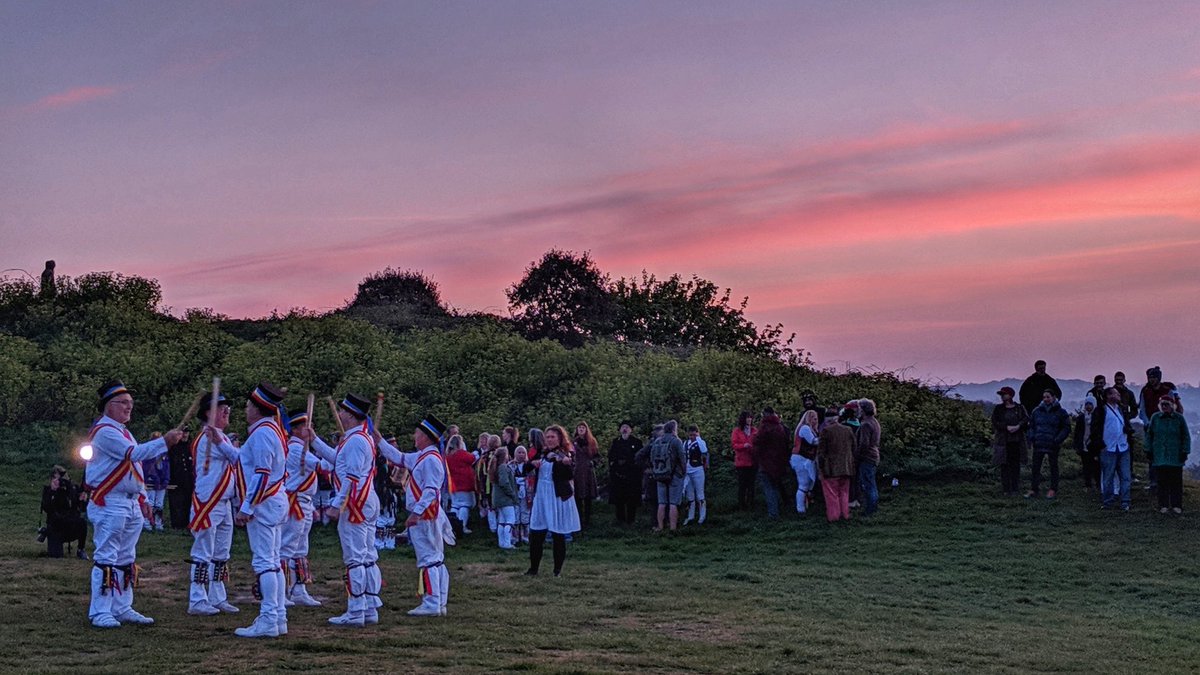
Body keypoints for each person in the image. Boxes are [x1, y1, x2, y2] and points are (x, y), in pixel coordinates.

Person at [84, 380, 180, 628]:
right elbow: (134, 455)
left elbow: (133, 469)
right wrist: (164, 443)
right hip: (109, 501)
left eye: (130, 403)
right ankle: (100, 610)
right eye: (123, 403)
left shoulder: (123, 431)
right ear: (108, 405)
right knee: (106, 555)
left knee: (126, 557)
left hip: (128, 502)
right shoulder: (105, 431)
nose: (129, 407)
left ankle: (122, 606)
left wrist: (143, 498)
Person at [307, 394, 384, 626]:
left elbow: (350, 478)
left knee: (355, 558)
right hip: (363, 500)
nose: (338, 415)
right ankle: (369, 608)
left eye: (342, 412)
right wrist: (315, 441)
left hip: (355, 503)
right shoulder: (358, 439)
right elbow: (338, 461)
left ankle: (356, 611)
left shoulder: (356, 441)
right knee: (367, 556)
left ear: (350, 415)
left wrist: (336, 505)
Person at [374, 414, 452, 617]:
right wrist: (379, 440)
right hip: (426, 514)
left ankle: (432, 602)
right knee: (435, 558)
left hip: (426, 515)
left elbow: (431, 490)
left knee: (429, 559)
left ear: (426, 436)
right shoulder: (423, 456)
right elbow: (398, 457)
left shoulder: (431, 460)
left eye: (417, 433)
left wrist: (416, 513)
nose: (414, 436)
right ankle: (439, 601)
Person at [229, 382, 290, 638]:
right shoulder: (271, 430)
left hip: (264, 504)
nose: (245, 410)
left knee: (266, 563)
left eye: (247, 405)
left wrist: (246, 506)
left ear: (257, 407)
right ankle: (277, 617)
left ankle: (268, 619)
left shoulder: (263, 433)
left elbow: (262, 474)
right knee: (273, 563)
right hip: (273, 501)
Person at [186, 391, 242, 617]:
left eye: (227, 407)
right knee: (203, 552)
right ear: (208, 413)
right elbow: (238, 458)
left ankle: (217, 596)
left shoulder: (221, 436)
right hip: (208, 502)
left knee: (221, 553)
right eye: (221, 408)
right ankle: (197, 598)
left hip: (224, 502)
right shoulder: (209, 437)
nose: (226, 411)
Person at [282, 410, 334, 607]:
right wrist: (335, 451)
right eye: (305, 426)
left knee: (301, 548)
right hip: (294, 502)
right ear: (295, 430)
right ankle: (282, 590)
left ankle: (299, 589)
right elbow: (324, 467)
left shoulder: (304, 449)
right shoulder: (296, 450)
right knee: (287, 547)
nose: (309, 429)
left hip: (305, 502)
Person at [524, 424, 580, 576]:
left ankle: (557, 571)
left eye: (552, 437)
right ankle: (533, 568)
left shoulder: (566, 453)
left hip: (557, 497)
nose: (549, 439)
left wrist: (563, 463)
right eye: (547, 437)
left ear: (559, 438)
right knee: (536, 533)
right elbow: (525, 469)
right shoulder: (541, 452)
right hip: (541, 495)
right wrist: (531, 464)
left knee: (558, 533)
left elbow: (570, 474)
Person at [1090, 387, 1132, 511]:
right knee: (1108, 476)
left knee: (1125, 476)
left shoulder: (1121, 409)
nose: (1118, 395)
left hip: (1123, 446)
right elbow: (1095, 428)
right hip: (1108, 447)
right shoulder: (1101, 410)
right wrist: (1100, 444)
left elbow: (1125, 424)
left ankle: (1125, 501)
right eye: (1115, 393)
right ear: (1108, 396)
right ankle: (1108, 501)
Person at [1146, 395, 1190, 514]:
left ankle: (1176, 505)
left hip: (1175, 455)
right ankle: (1163, 505)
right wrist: (1148, 450)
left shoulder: (1179, 418)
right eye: (1162, 405)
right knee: (1162, 482)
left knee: (1176, 482)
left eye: (1167, 404)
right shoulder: (1155, 418)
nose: (1164, 407)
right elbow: (1149, 435)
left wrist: (1185, 451)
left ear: (1172, 406)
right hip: (1159, 455)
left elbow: (1185, 436)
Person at [1026, 390, 1071, 499]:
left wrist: (1058, 439)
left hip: (1053, 444)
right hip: (1039, 442)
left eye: (1048, 397)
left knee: (1053, 467)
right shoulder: (1036, 411)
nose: (1046, 399)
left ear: (1054, 397)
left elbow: (1066, 428)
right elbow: (1031, 426)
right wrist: (1032, 437)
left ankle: (1053, 489)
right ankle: (1034, 489)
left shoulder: (1061, 412)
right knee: (1035, 467)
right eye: (1044, 397)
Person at [816, 407, 857, 522]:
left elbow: (821, 452)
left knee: (831, 494)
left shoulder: (826, 431)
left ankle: (834, 517)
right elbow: (854, 447)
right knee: (844, 493)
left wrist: (821, 467)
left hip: (831, 468)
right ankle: (845, 514)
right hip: (846, 467)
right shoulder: (848, 430)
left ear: (827, 420)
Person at [752, 408, 791, 520]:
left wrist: (756, 453)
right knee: (776, 485)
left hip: (766, 461)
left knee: (769, 488)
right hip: (779, 461)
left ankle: (773, 513)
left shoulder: (765, 427)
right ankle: (786, 506)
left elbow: (758, 442)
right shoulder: (781, 427)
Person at [41, 466, 87, 559]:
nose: (60, 481)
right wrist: (52, 492)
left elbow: (82, 509)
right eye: (55, 478)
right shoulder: (48, 490)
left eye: (61, 478)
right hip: (56, 528)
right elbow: (46, 508)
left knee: (82, 522)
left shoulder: (72, 489)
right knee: (56, 556)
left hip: (71, 526)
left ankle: (80, 549)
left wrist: (83, 500)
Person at [991, 386, 1029, 496]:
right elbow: (995, 422)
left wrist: (1018, 426)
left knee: (1015, 465)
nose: (1002, 396)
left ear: (1011, 395)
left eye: (1004, 394)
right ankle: (1006, 489)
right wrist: (1006, 427)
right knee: (1004, 465)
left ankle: (1015, 488)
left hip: (1016, 441)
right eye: (1002, 394)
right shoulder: (998, 409)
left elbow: (1025, 419)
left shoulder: (1019, 408)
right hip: (1003, 441)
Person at [607, 422, 643, 525]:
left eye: (627, 427)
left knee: (632, 499)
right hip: (618, 475)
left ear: (631, 430)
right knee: (619, 499)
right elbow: (611, 456)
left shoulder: (636, 442)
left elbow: (639, 458)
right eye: (623, 427)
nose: (625, 429)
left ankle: (631, 520)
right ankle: (620, 520)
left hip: (632, 475)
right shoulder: (616, 442)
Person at [445, 435, 477, 536]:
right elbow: (472, 458)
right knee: (465, 505)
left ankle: (452, 526)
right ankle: (462, 526)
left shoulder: (448, 455)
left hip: (452, 484)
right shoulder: (461, 454)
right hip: (464, 483)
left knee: (455, 505)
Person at [571, 422, 600, 530]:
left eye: (583, 427)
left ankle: (587, 520)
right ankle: (578, 519)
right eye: (579, 427)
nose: (581, 429)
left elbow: (597, 456)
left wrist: (593, 463)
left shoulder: (591, 442)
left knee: (588, 497)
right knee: (577, 496)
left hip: (588, 472)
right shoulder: (573, 442)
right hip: (577, 472)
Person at [856, 399, 882, 515]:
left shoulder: (865, 424)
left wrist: (857, 455)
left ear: (863, 409)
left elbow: (864, 444)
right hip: (874, 454)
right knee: (871, 482)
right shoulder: (874, 421)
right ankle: (873, 507)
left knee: (868, 483)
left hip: (867, 457)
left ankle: (870, 509)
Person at [791, 410, 820, 515]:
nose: (815, 420)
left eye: (816, 418)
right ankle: (800, 509)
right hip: (801, 458)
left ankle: (804, 506)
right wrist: (827, 438)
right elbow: (813, 441)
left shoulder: (808, 428)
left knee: (807, 484)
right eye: (813, 418)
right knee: (803, 484)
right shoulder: (805, 428)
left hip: (804, 458)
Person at [490, 447, 518, 549]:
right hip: (505, 499)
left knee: (502, 521)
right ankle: (507, 543)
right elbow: (504, 482)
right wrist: (512, 494)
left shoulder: (496, 467)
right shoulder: (502, 467)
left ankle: (501, 542)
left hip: (498, 498)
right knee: (510, 520)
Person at [167, 429, 194, 530]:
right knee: (176, 501)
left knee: (188, 501)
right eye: (183, 432)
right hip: (175, 478)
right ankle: (177, 523)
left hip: (188, 479)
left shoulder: (191, 446)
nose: (185, 435)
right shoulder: (174, 447)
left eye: (187, 432)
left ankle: (187, 522)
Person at [681, 425, 709, 525]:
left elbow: (704, 450)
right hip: (688, 471)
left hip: (697, 469)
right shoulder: (685, 443)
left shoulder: (700, 442)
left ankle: (702, 516)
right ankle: (690, 516)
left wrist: (698, 438)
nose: (692, 436)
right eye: (690, 434)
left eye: (694, 434)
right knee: (690, 495)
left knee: (700, 494)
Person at [1073, 395, 1100, 491]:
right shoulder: (1081, 418)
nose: (1088, 406)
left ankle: (1098, 484)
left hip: (1094, 446)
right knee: (1086, 466)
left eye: (1090, 404)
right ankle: (1088, 484)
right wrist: (1076, 445)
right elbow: (1077, 432)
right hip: (1083, 445)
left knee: (1096, 466)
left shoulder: (1097, 417)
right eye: (1087, 404)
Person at [140, 439, 169, 532]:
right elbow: (147, 469)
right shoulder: (148, 455)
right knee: (150, 503)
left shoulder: (164, 455)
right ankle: (147, 522)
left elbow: (167, 469)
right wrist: (154, 478)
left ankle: (158, 523)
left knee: (159, 504)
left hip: (162, 483)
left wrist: (166, 480)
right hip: (151, 482)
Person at [731, 412, 757, 509]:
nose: (749, 420)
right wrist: (743, 446)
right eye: (747, 418)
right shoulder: (737, 431)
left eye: (750, 418)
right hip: (741, 461)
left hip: (752, 461)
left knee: (751, 484)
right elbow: (734, 444)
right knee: (742, 485)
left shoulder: (754, 430)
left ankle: (751, 503)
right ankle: (742, 504)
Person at [512, 446, 532, 544]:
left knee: (525, 513)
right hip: (514, 493)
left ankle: (526, 535)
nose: (521, 454)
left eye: (523, 452)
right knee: (515, 513)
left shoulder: (528, 465)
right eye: (519, 452)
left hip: (527, 493)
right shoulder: (511, 465)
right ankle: (515, 535)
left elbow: (532, 477)